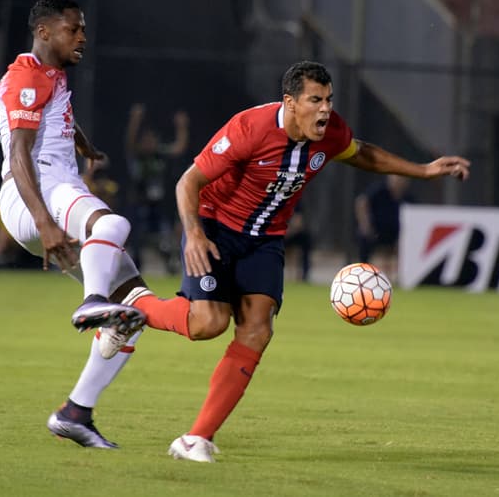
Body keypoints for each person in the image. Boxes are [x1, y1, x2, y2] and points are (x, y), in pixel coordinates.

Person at [94, 60, 470, 462]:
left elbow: (362, 154)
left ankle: (195, 438)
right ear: (290, 103)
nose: (325, 109)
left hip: (266, 240)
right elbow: (189, 181)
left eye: (328, 100)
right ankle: (135, 306)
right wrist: (195, 235)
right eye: (315, 100)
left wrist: (423, 170)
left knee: (257, 329)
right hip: (216, 227)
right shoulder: (249, 129)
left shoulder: (330, 132)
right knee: (207, 324)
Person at [0, 0, 151, 449]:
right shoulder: (26, 75)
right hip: (38, 190)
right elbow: (20, 153)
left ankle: (75, 412)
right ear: (44, 32)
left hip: (51, 189)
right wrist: (44, 222)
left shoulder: (50, 74)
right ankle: (92, 300)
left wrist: (84, 145)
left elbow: (56, 115)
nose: (82, 36)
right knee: (113, 225)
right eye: (73, 29)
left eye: (82, 29)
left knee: (132, 313)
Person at [124, 103, 189, 274]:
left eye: (151, 139)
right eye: (146, 140)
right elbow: (130, 142)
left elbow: (178, 147)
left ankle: (171, 263)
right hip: (139, 202)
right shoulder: (138, 155)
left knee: (166, 235)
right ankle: (134, 268)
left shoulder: (159, 154)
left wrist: (181, 126)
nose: (149, 143)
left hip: (158, 204)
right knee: (135, 236)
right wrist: (135, 120)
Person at [355, 174, 414, 282]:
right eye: (396, 178)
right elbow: (362, 202)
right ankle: (362, 274)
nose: (398, 181)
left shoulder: (409, 197)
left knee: (410, 244)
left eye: (402, 179)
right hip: (376, 231)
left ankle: (404, 277)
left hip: (398, 234)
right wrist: (365, 225)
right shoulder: (378, 191)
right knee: (364, 238)